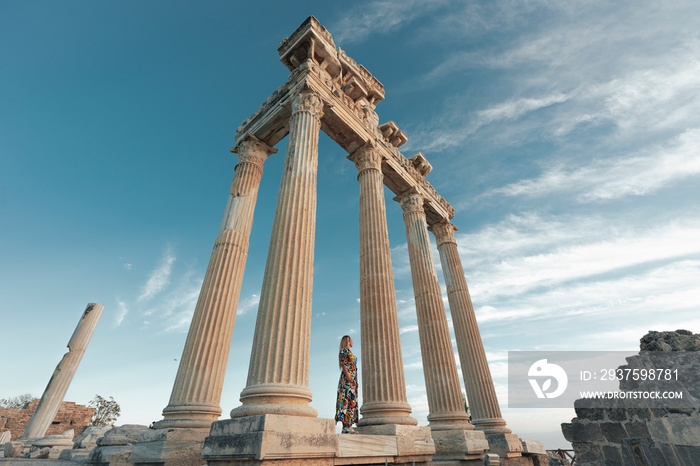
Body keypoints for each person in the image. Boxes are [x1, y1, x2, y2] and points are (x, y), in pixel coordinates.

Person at [335, 335, 358, 433]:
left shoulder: (349, 352)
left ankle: (349, 425)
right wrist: (348, 378)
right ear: (347, 341)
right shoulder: (343, 351)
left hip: (353, 380)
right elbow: (343, 365)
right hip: (347, 380)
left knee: (351, 402)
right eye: (351, 340)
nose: (352, 341)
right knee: (345, 400)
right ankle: (345, 427)